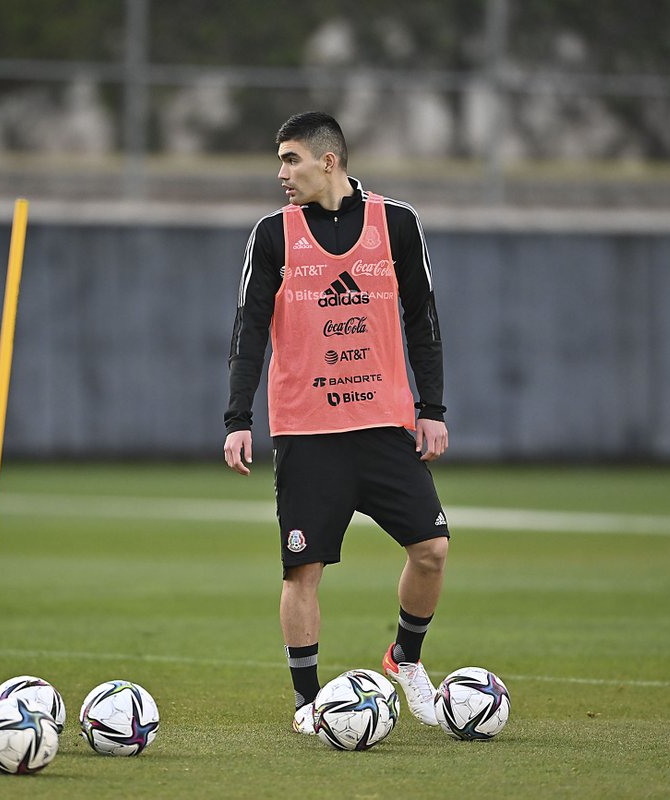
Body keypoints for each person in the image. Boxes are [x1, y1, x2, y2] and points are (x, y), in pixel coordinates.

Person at [223, 111, 450, 733]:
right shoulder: (272, 236)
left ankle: (405, 659)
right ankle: (307, 703)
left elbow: (422, 320)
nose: (281, 173)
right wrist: (238, 417)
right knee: (304, 571)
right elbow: (248, 328)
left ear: (329, 162)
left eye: (291, 159)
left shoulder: (397, 224)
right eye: (279, 161)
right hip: (306, 432)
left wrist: (431, 409)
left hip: (382, 426)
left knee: (432, 550)